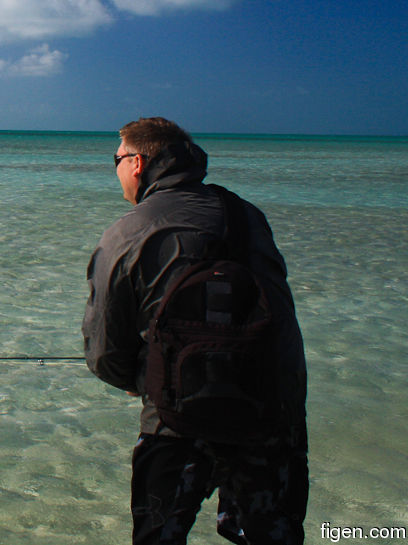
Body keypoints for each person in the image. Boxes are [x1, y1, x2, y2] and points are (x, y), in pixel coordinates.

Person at [83, 117, 308, 545]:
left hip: (175, 419)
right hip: (272, 411)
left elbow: (105, 349)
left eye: (114, 159)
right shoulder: (248, 215)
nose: (114, 169)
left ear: (137, 163)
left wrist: (137, 379)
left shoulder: (127, 231)